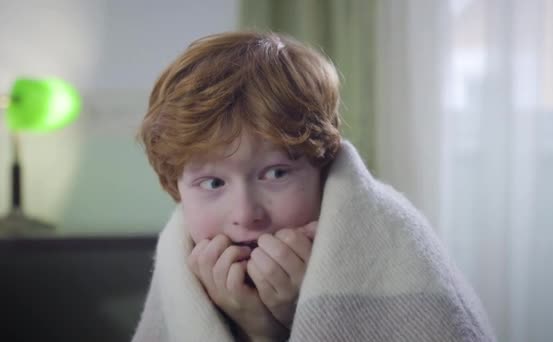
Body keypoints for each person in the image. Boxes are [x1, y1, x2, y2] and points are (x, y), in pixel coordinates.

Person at [132, 31, 495, 342]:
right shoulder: (179, 259)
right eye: (212, 182)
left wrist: (295, 319)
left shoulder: (394, 236)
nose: (246, 215)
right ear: (175, 186)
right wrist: (257, 329)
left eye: (276, 174)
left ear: (321, 165)